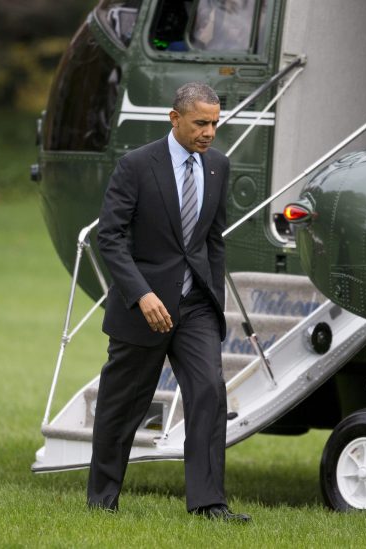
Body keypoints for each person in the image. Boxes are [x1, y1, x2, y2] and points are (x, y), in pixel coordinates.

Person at [87, 82, 250, 522]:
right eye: (201, 122)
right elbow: (111, 237)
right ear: (174, 118)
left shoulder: (218, 165)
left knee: (210, 394)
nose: (209, 132)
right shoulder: (136, 166)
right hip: (144, 306)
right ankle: (102, 500)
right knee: (123, 406)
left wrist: (213, 303)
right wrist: (141, 294)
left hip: (195, 305)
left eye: (215, 123)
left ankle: (208, 503)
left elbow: (212, 241)